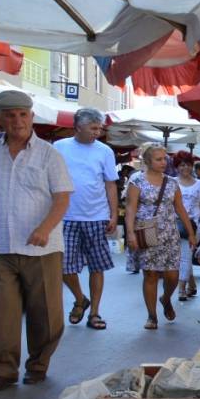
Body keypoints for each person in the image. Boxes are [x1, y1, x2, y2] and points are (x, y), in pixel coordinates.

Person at [0, 91, 73, 390]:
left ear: (31, 117)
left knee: (47, 316)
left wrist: (45, 227)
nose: (17, 121)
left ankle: (39, 363)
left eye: (22, 114)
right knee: (2, 316)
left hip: (42, 248)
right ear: (0, 118)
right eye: (10, 115)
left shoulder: (49, 154)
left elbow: (62, 198)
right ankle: (4, 371)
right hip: (0, 247)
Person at [53, 108, 118, 330]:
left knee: (96, 267)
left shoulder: (105, 151)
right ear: (78, 126)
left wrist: (112, 214)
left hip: (97, 216)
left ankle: (95, 313)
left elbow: (110, 184)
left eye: (99, 128)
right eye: (93, 128)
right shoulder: (59, 147)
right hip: (66, 215)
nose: (97, 132)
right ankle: (80, 299)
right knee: (64, 267)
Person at [125, 146, 197, 330]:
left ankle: (165, 298)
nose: (163, 162)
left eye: (164, 158)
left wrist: (190, 233)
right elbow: (131, 208)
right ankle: (152, 316)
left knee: (172, 275)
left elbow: (180, 208)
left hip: (169, 234)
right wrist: (130, 233)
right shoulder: (137, 180)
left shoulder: (172, 183)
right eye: (158, 159)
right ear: (148, 161)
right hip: (147, 230)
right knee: (150, 274)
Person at [174, 152, 200, 302]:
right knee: (183, 257)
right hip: (174, 224)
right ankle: (192, 285)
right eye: (182, 164)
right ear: (177, 166)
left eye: (188, 164)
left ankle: (181, 288)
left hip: (194, 226)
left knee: (185, 256)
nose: (185, 167)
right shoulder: (172, 182)